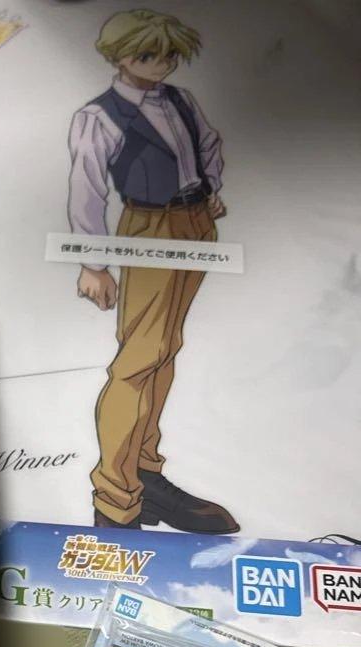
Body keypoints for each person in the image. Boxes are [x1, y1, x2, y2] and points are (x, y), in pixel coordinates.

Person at [68, 8, 237, 532]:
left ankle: (145, 473)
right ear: (118, 55)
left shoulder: (180, 99)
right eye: (147, 55)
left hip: (195, 224)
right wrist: (94, 263)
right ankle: (114, 499)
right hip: (149, 229)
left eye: (168, 55)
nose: (160, 64)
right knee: (137, 361)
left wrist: (209, 188)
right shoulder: (100, 116)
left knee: (165, 349)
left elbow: (207, 145)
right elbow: (87, 189)